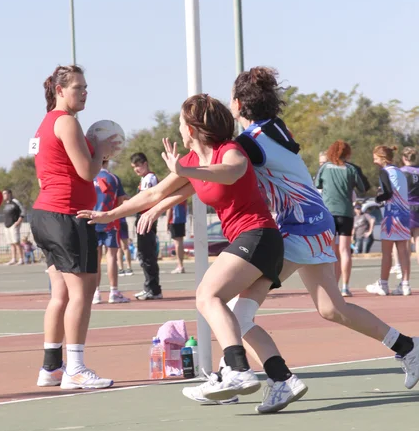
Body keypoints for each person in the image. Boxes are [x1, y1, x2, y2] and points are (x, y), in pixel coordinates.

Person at [132, 67, 419, 409]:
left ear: (237, 104)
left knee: (235, 310)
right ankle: (407, 347)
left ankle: (239, 376)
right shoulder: (272, 129)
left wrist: (161, 199)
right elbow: (200, 180)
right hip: (315, 221)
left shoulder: (246, 144)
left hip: (299, 226)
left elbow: (202, 177)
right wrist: (160, 203)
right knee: (332, 308)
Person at [79, 94, 308, 410]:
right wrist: (109, 215)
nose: (178, 129)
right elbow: (155, 192)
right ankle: (283, 380)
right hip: (254, 241)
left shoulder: (229, 150)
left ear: (194, 127)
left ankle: (237, 370)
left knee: (206, 296)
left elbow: (231, 172)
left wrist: (192, 171)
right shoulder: (188, 162)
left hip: (258, 236)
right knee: (240, 320)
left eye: (180, 123)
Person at [31, 64, 118, 390]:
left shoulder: (45, 124)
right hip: (66, 214)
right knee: (84, 291)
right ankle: (76, 368)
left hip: (46, 215)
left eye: (85, 87)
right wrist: (103, 153)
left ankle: (51, 367)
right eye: (78, 87)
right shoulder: (66, 122)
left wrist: (96, 154)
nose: (84, 92)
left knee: (61, 294)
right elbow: (85, 172)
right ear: (59, 90)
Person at [315, 141, 366, 297]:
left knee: (330, 251)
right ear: (347, 153)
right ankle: (345, 286)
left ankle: (331, 286)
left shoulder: (324, 168)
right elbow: (362, 188)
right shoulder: (350, 169)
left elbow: (317, 184)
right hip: (346, 213)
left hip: (328, 212)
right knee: (345, 251)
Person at [366, 146, 411, 296]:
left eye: (375, 157)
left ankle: (383, 284)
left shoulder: (384, 172)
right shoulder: (400, 172)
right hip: (404, 214)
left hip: (392, 214)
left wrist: (378, 198)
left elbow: (387, 193)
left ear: (382, 158)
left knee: (386, 252)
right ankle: (405, 285)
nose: (373, 160)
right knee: (403, 251)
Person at [92, 160, 130, 304]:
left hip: (92, 221)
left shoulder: (89, 176)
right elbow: (120, 202)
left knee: (95, 258)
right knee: (111, 257)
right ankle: (113, 291)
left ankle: (96, 293)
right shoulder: (113, 178)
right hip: (110, 222)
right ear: (107, 159)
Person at [130, 152, 162, 300]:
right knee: (144, 255)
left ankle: (154, 289)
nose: (136, 169)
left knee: (147, 256)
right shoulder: (144, 179)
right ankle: (149, 287)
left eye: (138, 166)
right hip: (142, 219)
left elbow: (147, 200)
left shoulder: (150, 179)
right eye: (133, 167)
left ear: (145, 164)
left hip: (147, 220)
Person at [400, 147, 419, 265]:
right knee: (418, 239)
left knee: (405, 242)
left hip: (405, 207)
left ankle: (405, 275)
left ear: (403, 158)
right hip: (418, 207)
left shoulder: (401, 172)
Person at [2, 189, 25, 265]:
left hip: (14, 225)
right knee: (11, 243)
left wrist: (18, 221)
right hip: (7, 225)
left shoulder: (15, 201)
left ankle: (21, 259)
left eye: (5, 193)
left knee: (16, 242)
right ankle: (13, 259)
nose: (3, 195)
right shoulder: (6, 204)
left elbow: (23, 211)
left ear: (9, 194)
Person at [167, 201, 187, 273]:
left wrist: (167, 222)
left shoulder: (172, 193)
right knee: (180, 242)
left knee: (177, 243)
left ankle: (180, 266)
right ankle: (181, 265)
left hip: (174, 220)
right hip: (182, 218)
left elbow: (168, 208)